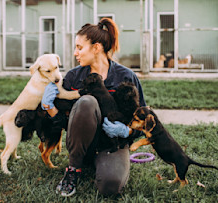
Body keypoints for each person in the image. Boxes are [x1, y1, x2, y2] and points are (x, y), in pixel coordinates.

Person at [41, 18, 146, 197]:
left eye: (80, 48)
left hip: (112, 146)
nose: (75, 53)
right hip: (82, 145)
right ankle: (74, 168)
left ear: (96, 48)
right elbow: (64, 123)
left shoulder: (126, 77)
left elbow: (143, 121)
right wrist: (48, 106)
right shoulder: (73, 77)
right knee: (87, 101)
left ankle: (102, 163)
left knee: (111, 187)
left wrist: (126, 132)